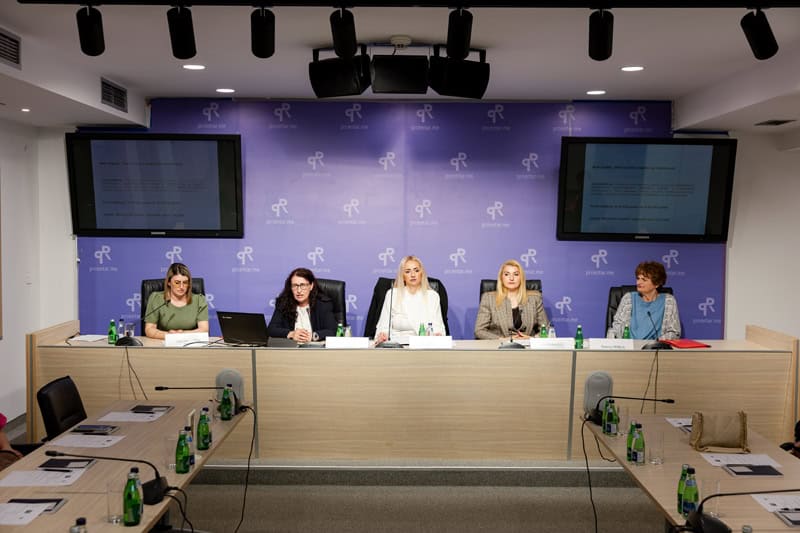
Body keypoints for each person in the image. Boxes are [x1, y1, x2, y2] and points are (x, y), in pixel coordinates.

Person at [374, 255, 445, 343]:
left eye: (416, 270)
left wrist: (437, 336)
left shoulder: (432, 296)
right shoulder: (392, 294)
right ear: (402, 276)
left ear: (422, 273)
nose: (413, 275)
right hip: (397, 344)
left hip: (424, 344)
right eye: (407, 271)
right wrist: (383, 335)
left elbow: (438, 327)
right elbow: (384, 326)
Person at [474, 259, 549, 339]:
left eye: (516, 274)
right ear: (501, 278)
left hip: (527, 345)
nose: (511, 278)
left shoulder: (535, 298)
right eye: (507, 274)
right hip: (499, 345)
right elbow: (479, 330)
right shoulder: (488, 298)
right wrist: (501, 339)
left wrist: (532, 339)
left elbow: (546, 328)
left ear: (521, 278)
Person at [611, 261, 680, 340]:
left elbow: (674, 332)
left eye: (644, 280)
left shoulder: (669, 301)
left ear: (656, 284)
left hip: (656, 346)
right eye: (638, 278)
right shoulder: (628, 298)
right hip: (630, 345)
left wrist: (656, 343)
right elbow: (617, 326)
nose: (638, 282)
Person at [267, 268, 338, 342]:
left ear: (311, 286)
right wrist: (291, 334)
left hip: (315, 347)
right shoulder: (283, 304)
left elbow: (333, 330)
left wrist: (313, 336)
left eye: (303, 285)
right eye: (295, 286)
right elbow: (271, 329)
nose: (299, 290)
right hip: (291, 348)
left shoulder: (323, 304)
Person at [144, 263, 209, 340]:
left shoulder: (199, 300)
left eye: (185, 282)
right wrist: (169, 336)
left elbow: (204, 330)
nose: (181, 287)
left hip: (191, 343)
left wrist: (181, 335)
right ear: (169, 282)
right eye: (177, 283)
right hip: (163, 343)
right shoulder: (156, 298)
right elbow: (149, 329)